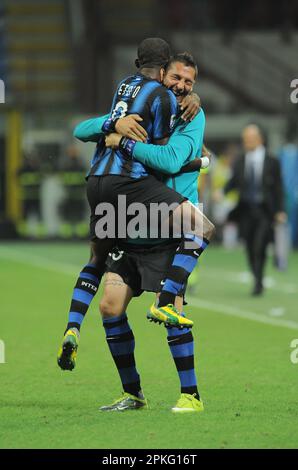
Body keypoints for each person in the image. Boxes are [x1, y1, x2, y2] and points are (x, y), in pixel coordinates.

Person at [57, 40, 214, 372]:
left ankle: (189, 395)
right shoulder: (146, 104)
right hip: (135, 213)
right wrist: (113, 125)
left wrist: (121, 138)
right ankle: (133, 393)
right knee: (111, 306)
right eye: (175, 78)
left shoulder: (190, 114)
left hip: (160, 222)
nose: (182, 86)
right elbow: (81, 128)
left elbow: (168, 161)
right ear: (161, 74)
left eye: (189, 83)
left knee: (168, 307)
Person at [223, 124, 286, 295]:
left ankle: (258, 281)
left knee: (260, 245)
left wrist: (280, 210)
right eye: (244, 138)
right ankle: (257, 276)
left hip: (265, 211)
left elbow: (279, 188)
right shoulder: (240, 160)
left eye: (249, 138)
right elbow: (233, 182)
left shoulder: (272, 161)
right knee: (250, 247)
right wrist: (222, 191)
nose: (246, 142)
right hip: (245, 210)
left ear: (260, 139)